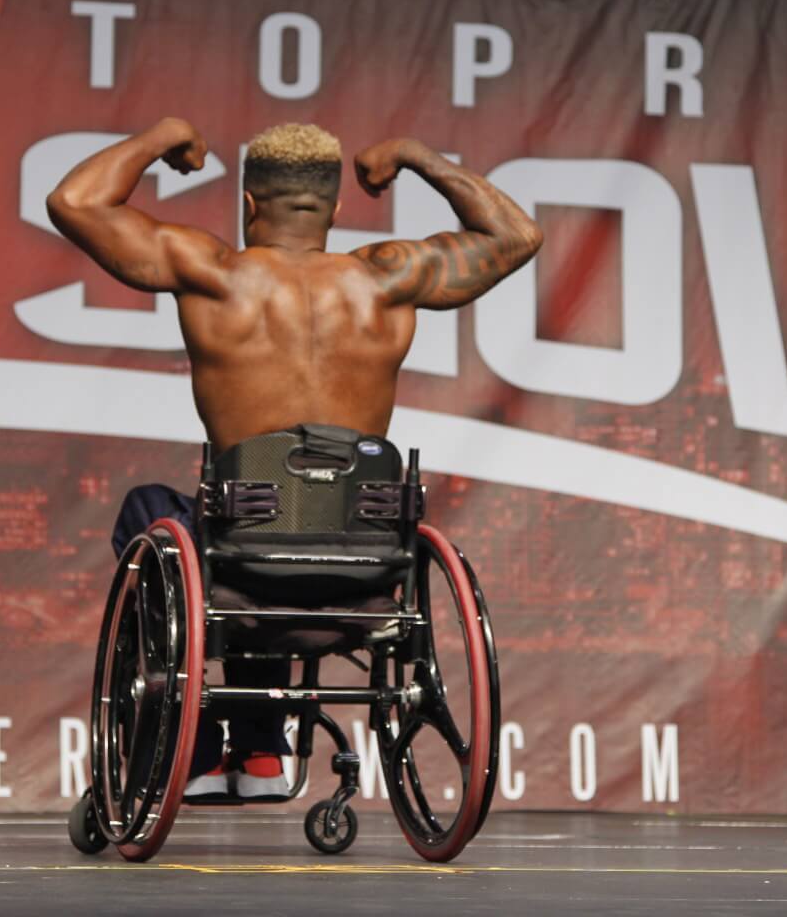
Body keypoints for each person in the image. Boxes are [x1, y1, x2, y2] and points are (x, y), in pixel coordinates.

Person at [46, 119, 542, 798]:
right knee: (279, 523)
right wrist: (415, 156)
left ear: (250, 204)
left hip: (242, 554)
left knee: (165, 514)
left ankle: (192, 750)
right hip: (366, 561)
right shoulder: (388, 278)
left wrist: (164, 136)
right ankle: (259, 756)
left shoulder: (212, 273)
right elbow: (515, 235)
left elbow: (74, 202)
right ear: (333, 212)